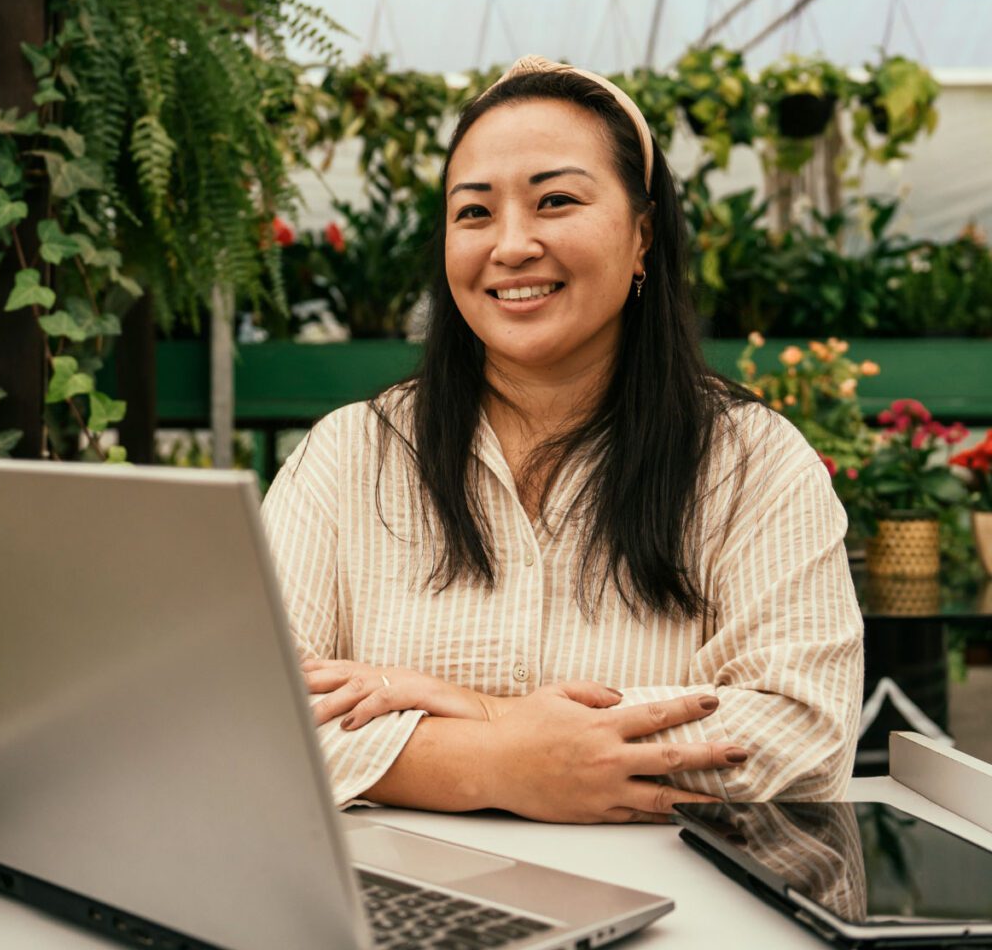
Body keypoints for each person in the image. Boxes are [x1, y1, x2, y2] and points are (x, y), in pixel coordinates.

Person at [261, 55, 863, 824]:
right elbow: (257, 710)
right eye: (474, 213)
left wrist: (476, 711)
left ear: (643, 235)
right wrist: (498, 763)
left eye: (555, 201)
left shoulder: (751, 464)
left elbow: (803, 736)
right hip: (402, 909)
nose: (510, 245)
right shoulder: (348, 456)